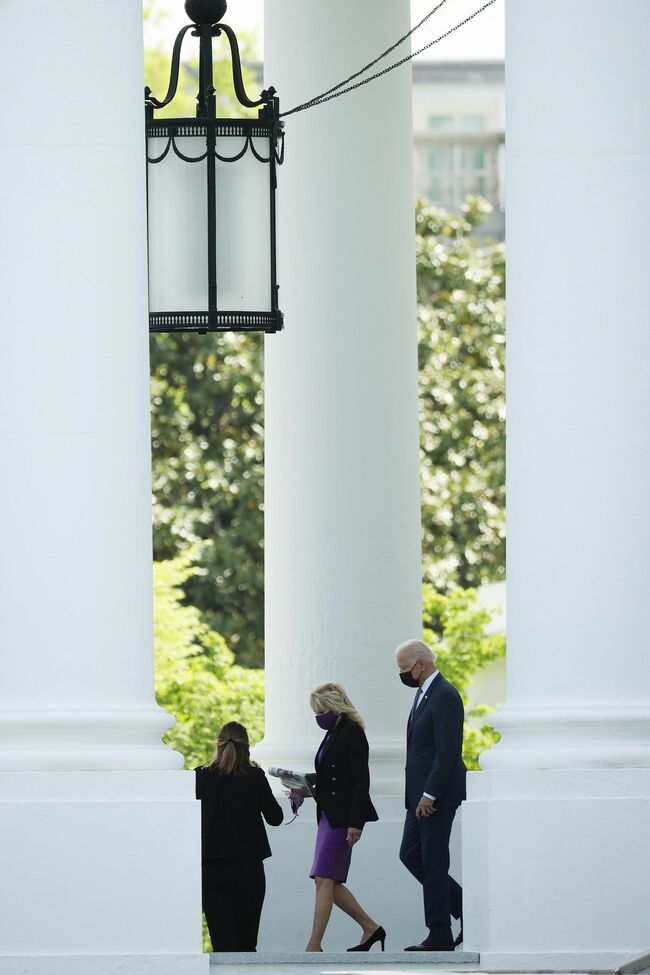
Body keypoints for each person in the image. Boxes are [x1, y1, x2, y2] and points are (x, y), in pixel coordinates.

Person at [301, 682, 385, 953]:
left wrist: (356, 822)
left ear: (334, 706)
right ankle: (371, 928)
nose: (318, 715)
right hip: (328, 814)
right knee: (326, 879)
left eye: (321, 709)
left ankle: (314, 945)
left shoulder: (351, 732)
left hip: (342, 817)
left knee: (324, 878)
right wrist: (302, 785)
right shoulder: (334, 732)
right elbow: (330, 777)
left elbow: (361, 780)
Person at [395, 640, 466, 952]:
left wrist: (430, 793)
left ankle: (439, 934)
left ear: (420, 664)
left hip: (434, 797)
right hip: (418, 797)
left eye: (404, 668)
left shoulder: (445, 695)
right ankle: (465, 906)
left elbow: (446, 751)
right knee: (410, 855)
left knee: (434, 862)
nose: (402, 674)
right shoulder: (422, 695)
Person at [195, 721, 283, 952]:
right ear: (248, 746)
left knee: (223, 946)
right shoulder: (255, 776)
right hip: (248, 870)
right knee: (246, 945)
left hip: (211, 869)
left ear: (218, 744)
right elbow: (275, 817)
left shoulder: (200, 777)